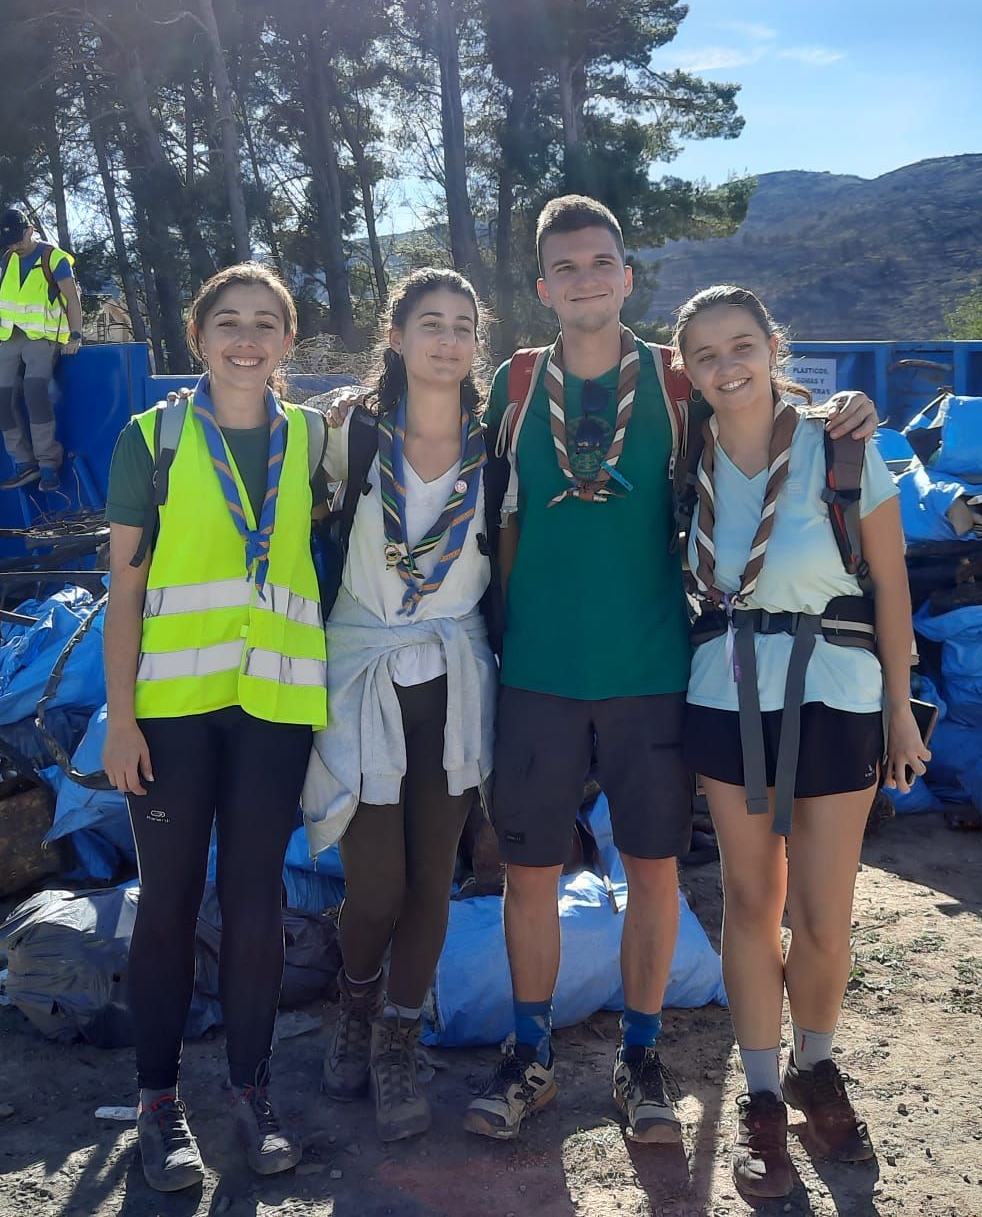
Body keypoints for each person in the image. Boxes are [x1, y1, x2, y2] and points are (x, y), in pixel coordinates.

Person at [466, 195, 879, 1147]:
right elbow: (472, 479)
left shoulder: (674, 382)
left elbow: (761, 421)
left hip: (656, 668)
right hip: (534, 669)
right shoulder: (516, 383)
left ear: (626, 274)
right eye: (564, 268)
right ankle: (529, 1056)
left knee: (653, 873)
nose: (584, 280)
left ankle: (639, 1057)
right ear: (542, 286)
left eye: (600, 262)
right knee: (528, 876)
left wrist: (847, 411)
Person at [672, 284, 929, 1202]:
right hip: (727, 694)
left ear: (773, 346)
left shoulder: (842, 447)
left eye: (741, 346)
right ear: (686, 370)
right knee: (748, 902)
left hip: (837, 693)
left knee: (823, 913)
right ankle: (763, 1094)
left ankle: (819, 1066)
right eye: (704, 355)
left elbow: (892, 586)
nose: (726, 367)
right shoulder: (683, 455)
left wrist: (902, 710)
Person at [100, 263, 326, 1190]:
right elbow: (124, 591)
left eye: (266, 323)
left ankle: (250, 1089)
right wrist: (120, 722)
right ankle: (158, 1104)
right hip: (174, 716)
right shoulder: (149, 439)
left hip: (274, 711)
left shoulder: (318, 438)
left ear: (287, 342)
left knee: (257, 904)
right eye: (228, 321)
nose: (246, 337)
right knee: (167, 903)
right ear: (197, 338)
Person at [302, 268, 495, 1144]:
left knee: (434, 882)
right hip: (361, 674)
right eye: (430, 324)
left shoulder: (500, 443)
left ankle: (396, 1037)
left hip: (454, 682)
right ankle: (353, 1002)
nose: (447, 341)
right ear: (397, 337)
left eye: (462, 326)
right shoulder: (352, 437)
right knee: (376, 885)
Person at [0, 208, 84, 492]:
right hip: (11, 339)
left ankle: (47, 463)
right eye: (9, 242)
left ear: (30, 230)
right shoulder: (9, 259)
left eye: (18, 239)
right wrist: (1, 339)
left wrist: (75, 335)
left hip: (43, 338)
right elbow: (11, 300)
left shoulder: (52, 258)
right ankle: (24, 463)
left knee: (35, 393)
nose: (14, 246)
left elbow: (71, 298)